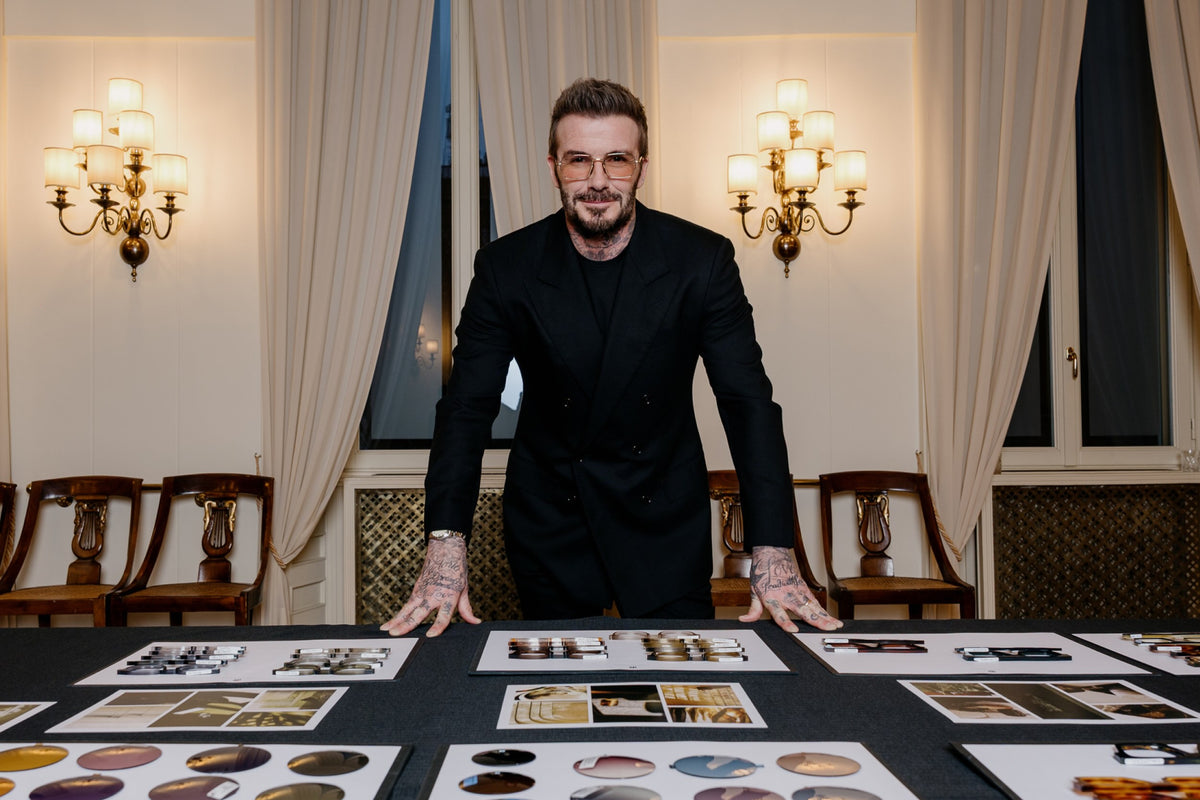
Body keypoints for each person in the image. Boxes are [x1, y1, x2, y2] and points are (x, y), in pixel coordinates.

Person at [381, 77, 841, 638]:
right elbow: (466, 408)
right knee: (558, 684)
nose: (598, 181)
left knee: (683, 682)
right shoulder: (507, 267)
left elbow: (748, 405)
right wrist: (446, 542)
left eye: (616, 160)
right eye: (579, 160)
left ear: (641, 167)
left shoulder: (702, 261)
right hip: (551, 521)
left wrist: (773, 546)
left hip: (663, 519)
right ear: (554, 167)